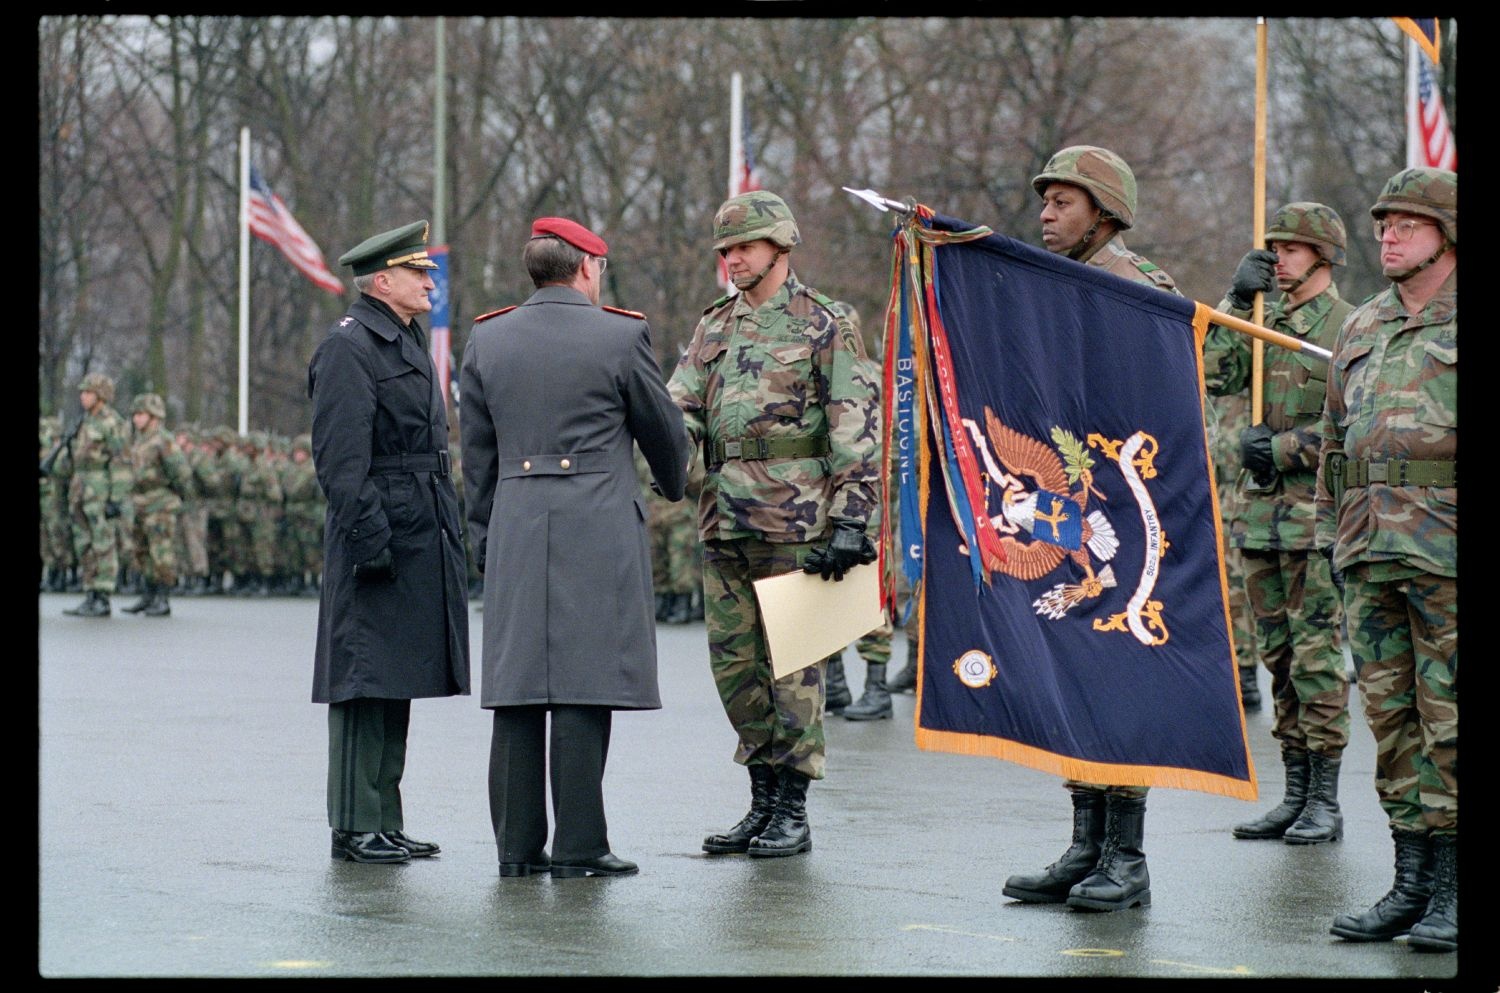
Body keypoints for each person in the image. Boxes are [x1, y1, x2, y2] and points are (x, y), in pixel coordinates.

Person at [461, 216, 688, 879]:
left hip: (517, 523)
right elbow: (663, 434)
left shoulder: (487, 337)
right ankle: (581, 844)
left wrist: (483, 537)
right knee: (585, 685)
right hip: (597, 523)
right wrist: (673, 482)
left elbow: (476, 455)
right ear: (587, 266)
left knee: (519, 688)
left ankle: (516, 847)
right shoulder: (621, 335)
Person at [669, 191, 880, 859]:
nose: (732, 259)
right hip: (723, 517)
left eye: (744, 248)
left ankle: (793, 808)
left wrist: (854, 519)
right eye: (725, 250)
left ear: (779, 247)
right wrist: (669, 452)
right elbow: (681, 403)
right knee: (736, 670)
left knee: (795, 669)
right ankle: (760, 801)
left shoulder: (825, 323)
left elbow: (856, 425)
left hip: (798, 522)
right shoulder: (713, 326)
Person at [1002, 145, 1177, 912]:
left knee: (1117, 678)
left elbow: (1154, 408)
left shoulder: (1135, 292)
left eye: (1062, 202)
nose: (1045, 214)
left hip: (1121, 515)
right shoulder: (1054, 286)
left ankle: (1126, 856)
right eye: (1043, 201)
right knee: (1074, 671)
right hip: (1070, 516)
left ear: (1103, 212)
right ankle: (1085, 843)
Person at [1320, 168, 1457, 952]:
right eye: (1382, 223)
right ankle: (1409, 883)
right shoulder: (1364, 324)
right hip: (1368, 547)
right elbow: (1336, 446)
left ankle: (1450, 887)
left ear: (1445, 233)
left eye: (1407, 222)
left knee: (1453, 721)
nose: (1387, 234)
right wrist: (1324, 539)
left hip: (1445, 550)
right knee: (1394, 722)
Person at [307, 220, 470, 865]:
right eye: (418, 272)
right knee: (362, 682)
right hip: (377, 534)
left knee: (392, 678)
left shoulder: (398, 341)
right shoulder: (351, 348)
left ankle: (385, 816)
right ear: (383, 281)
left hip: (414, 528)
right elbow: (340, 463)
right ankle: (354, 824)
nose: (430, 281)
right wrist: (370, 538)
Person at [1203, 203, 1354, 845]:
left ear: (1323, 256)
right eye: (1273, 248)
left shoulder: (1349, 326)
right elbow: (1215, 373)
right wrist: (1237, 299)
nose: (1279, 259)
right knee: (1280, 659)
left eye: (1291, 248)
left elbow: (1366, 421)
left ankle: (1325, 800)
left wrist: (1287, 449)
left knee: (1318, 660)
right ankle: (1294, 792)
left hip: (1316, 520)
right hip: (1259, 517)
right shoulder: (1265, 318)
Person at [62, 372, 132, 618]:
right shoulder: (83, 422)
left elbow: (121, 461)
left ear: (100, 396)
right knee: (84, 543)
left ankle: (102, 595)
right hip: (80, 489)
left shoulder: (112, 423)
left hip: (100, 489)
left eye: (88, 392)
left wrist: (116, 498)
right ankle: (90, 591)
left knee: (103, 543)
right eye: (82, 392)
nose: (83, 396)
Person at [121, 393, 192, 617]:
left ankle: (163, 597)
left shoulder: (164, 440)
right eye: (135, 415)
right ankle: (148, 594)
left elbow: (181, 474)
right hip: (140, 503)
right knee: (142, 552)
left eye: (141, 415)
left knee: (161, 553)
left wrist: (172, 496)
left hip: (160, 503)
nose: (136, 419)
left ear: (154, 416)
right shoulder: (139, 440)